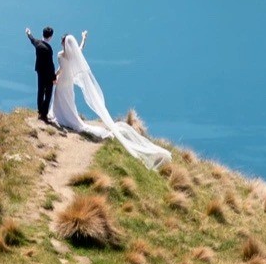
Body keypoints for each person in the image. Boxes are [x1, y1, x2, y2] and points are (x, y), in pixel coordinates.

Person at [47, 31, 170, 167]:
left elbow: (60, 68)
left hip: (62, 81)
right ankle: (68, 118)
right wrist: (84, 38)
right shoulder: (74, 56)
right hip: (68, 82)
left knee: (59, 98)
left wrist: (55, 76)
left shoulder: (60, 55)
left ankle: (60, 116)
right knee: (68, 101)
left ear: (64, 43)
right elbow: (80, 49)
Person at [25, 26, 58, 121]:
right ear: (50, 36)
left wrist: (28, 33)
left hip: (40, 71)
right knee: (48, 94)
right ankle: (44, 114)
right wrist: (54, 77)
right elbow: (51, 65)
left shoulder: (37, 43)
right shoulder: (48, 49)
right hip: (48, 74)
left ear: (43, 34)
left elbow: (32, 39)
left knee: (40, 91)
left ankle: (40, 112)